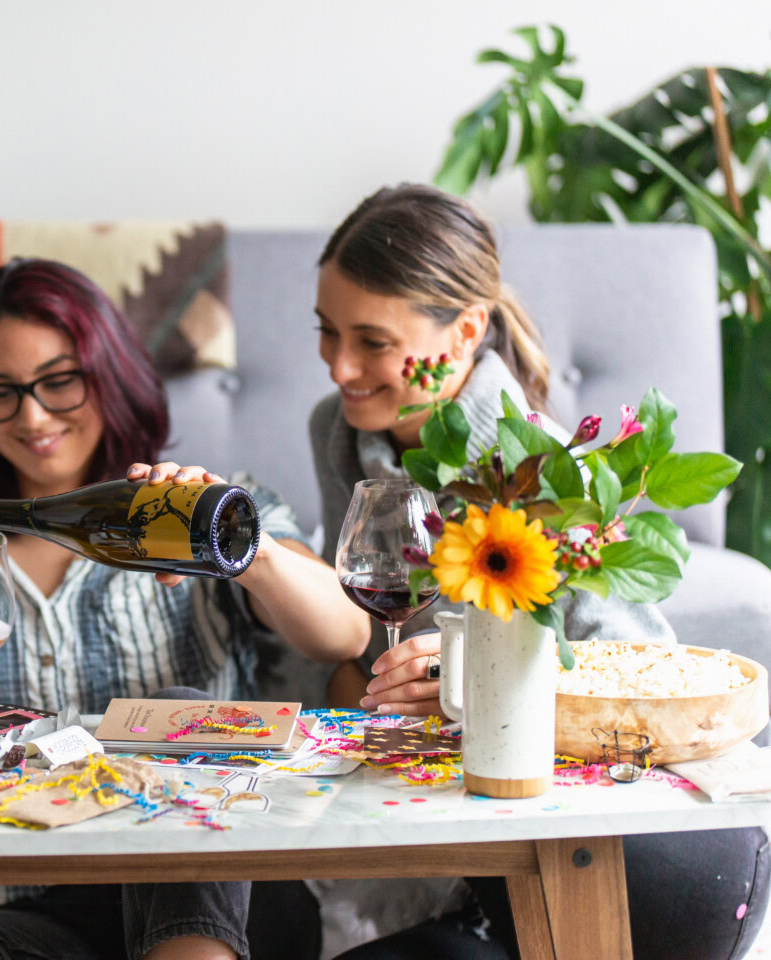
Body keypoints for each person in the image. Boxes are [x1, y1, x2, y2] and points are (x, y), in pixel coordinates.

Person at [302, 183, 768, 959]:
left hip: (629, 867)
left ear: (467, 332)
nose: (339, 366)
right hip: (473, 834)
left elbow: (639, 685)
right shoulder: (341, 433)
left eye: (373, 342)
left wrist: (474, 684)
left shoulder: (549, 468)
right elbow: (354, 653)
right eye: (326, 332)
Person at [0, 258, 371, 960]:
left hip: (221, 888)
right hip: (28, 906)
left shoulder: (219, 508)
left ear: (109, 375)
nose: (33, 416)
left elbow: (345, 632)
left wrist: (234, 543)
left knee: (179, 707)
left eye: (59, 381)